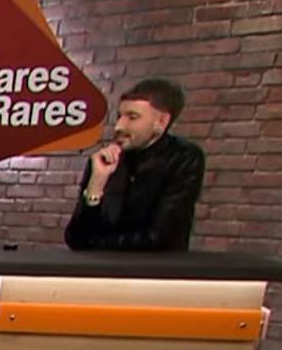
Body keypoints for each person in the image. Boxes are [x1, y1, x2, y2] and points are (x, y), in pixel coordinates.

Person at [64, 78, 204, 251]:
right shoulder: (105, 160)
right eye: (119, 116)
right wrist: (97, 184)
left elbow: (158, 239)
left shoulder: (183, 157)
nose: (119, 126)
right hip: (101, 267)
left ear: (161, 122)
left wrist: (93, 243)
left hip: (154, 268)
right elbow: (75, 238)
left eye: (132, 117)